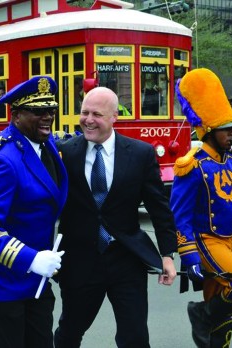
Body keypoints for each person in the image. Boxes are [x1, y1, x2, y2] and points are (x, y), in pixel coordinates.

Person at [53, 86, 177, 348]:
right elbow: (33, 186)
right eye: (84, 112)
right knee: (69, 332)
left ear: (113, 117)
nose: (88, 119)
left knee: (134, 337)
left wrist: (167, 254)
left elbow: (159, 207)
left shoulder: (140, 154)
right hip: (79, 261)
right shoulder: (65, 152)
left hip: (126, 260)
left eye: (96, 114)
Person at [0, 76, 68, 348]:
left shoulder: (43, 142)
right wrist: (31, 260)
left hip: (36, 276)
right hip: (3, 279)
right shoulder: (2, 159)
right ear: (17, 114)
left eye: (51, 110)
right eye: (38, 111)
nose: (47, 117)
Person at [171, 68, 232, 347]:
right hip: (205, 243)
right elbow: (180, 217)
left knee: (223, 307)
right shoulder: (192, 164)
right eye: (226, 128)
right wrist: (189, 259)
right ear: (209, 130)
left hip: (228, 242)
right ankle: (200, 314)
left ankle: (207, 321)